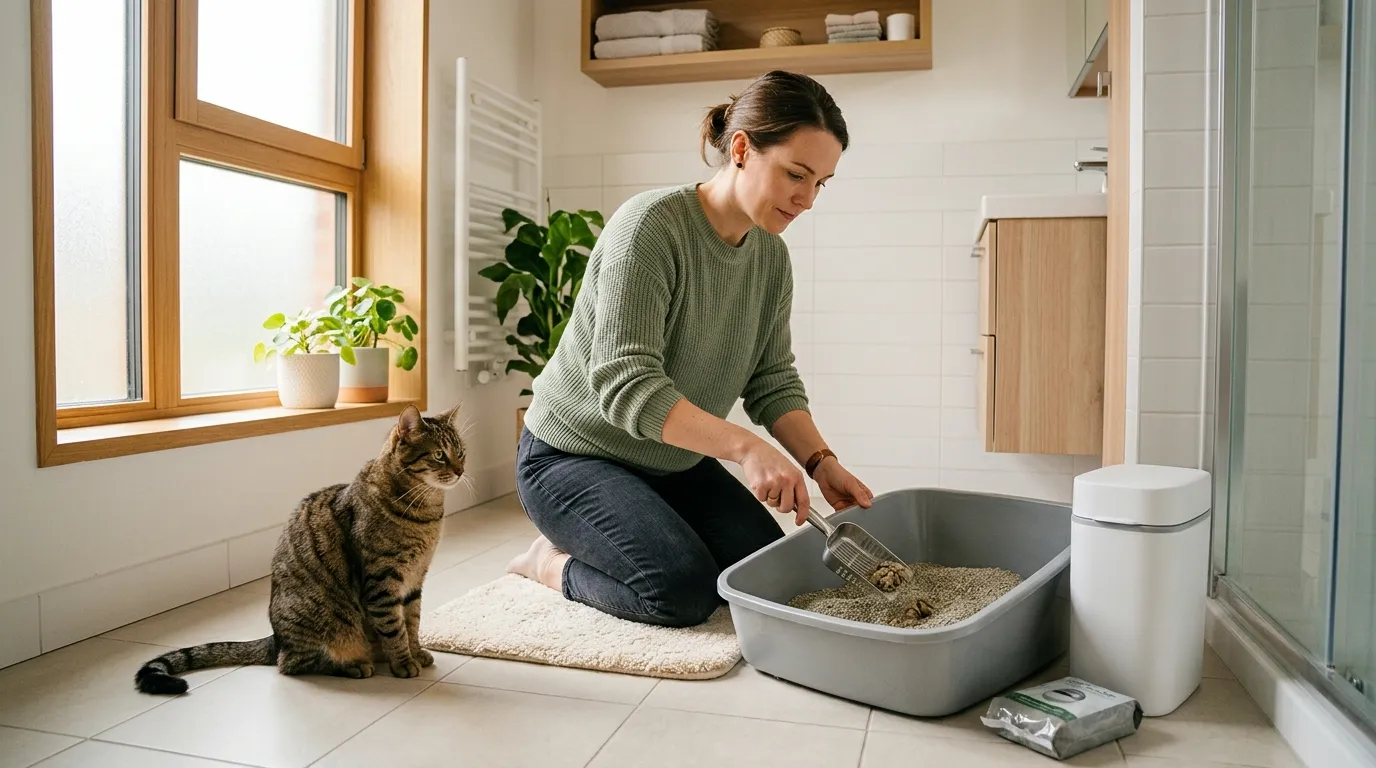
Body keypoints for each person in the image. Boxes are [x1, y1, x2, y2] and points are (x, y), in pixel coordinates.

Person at [507, 70, 874, 628]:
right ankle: (548, 565)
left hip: (671, 460)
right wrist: (747, 450)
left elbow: (771, 378)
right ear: (743, 149)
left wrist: (822, 463)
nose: (807, 199)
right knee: (680, 592)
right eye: (796, 174)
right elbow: (626, 387)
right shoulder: (650, 227)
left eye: (821, 182)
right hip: (574, 455)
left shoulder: (770, 258)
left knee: (762, 574)